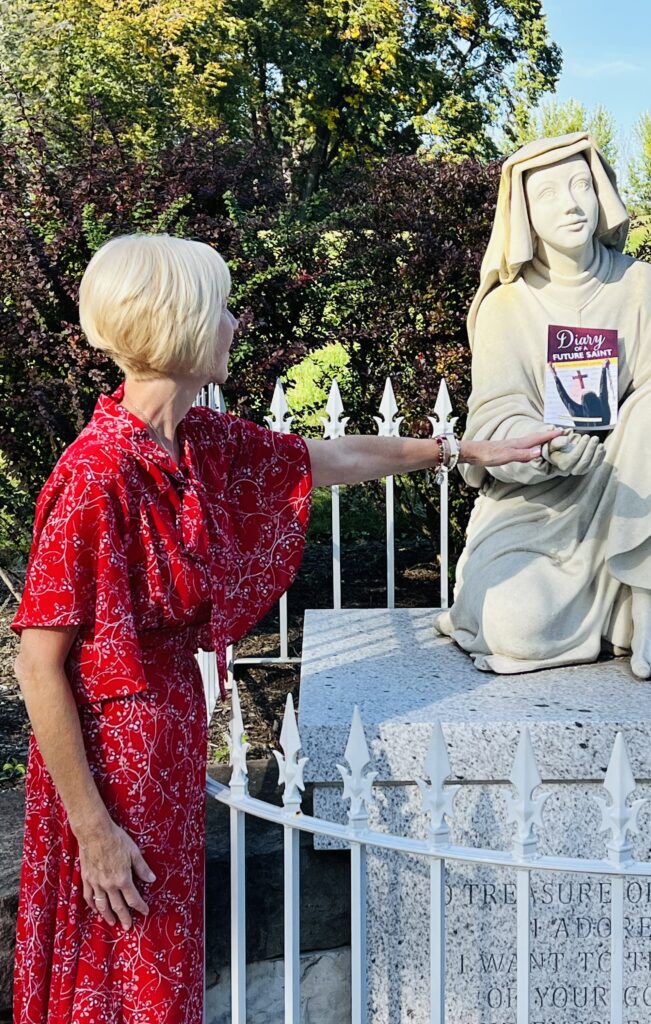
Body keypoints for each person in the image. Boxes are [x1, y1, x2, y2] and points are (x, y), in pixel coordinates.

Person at [11, 232, 558, 1024]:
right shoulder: (97, 476)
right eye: (223, 307)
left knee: (159, 984)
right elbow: (36, 665)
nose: (235, 322)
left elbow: (332, 456)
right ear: (181, 322)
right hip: (107, 774)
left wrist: (463, 448)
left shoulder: (199, 444)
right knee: (116, 981)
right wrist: (93, 831)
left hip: (164, 752)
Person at [435, 132, 651, 681]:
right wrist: (546, 449)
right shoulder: (508, 305)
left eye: (582, 185)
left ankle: (647, 603)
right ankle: (610, 613)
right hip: (539, 510)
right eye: (550, 193)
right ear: (524, 211)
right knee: (516, 625)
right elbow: (493, 420)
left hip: (632, 492)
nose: (572, 204)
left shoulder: (637, 285)